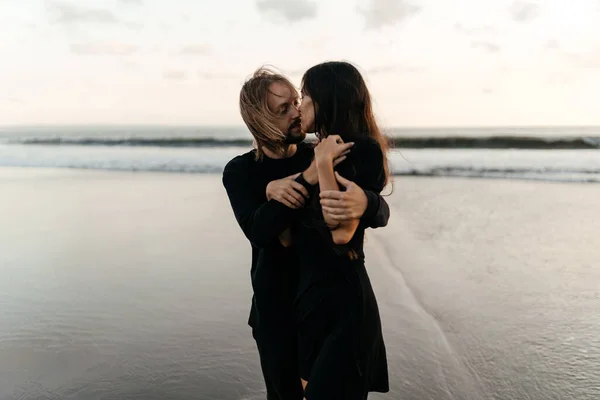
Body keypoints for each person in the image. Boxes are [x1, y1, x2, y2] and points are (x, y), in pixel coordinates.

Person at [222, 67, 391, 400]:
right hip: (277, 311)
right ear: (259, 121)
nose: (296, 113)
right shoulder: (241, 172)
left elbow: (367, 210)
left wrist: (371, 204)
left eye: (296, 102)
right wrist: (298, 180)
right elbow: (258, 230)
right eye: (282, 110)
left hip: (326, 303)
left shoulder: (320, 153)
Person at [292, 61, 390, 399]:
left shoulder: (363, 152)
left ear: (327, 99)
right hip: (308, 300)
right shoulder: (305, 152)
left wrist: (322, 164)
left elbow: (339, 232)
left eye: (304, 97)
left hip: (344, 302)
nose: (298, 106)